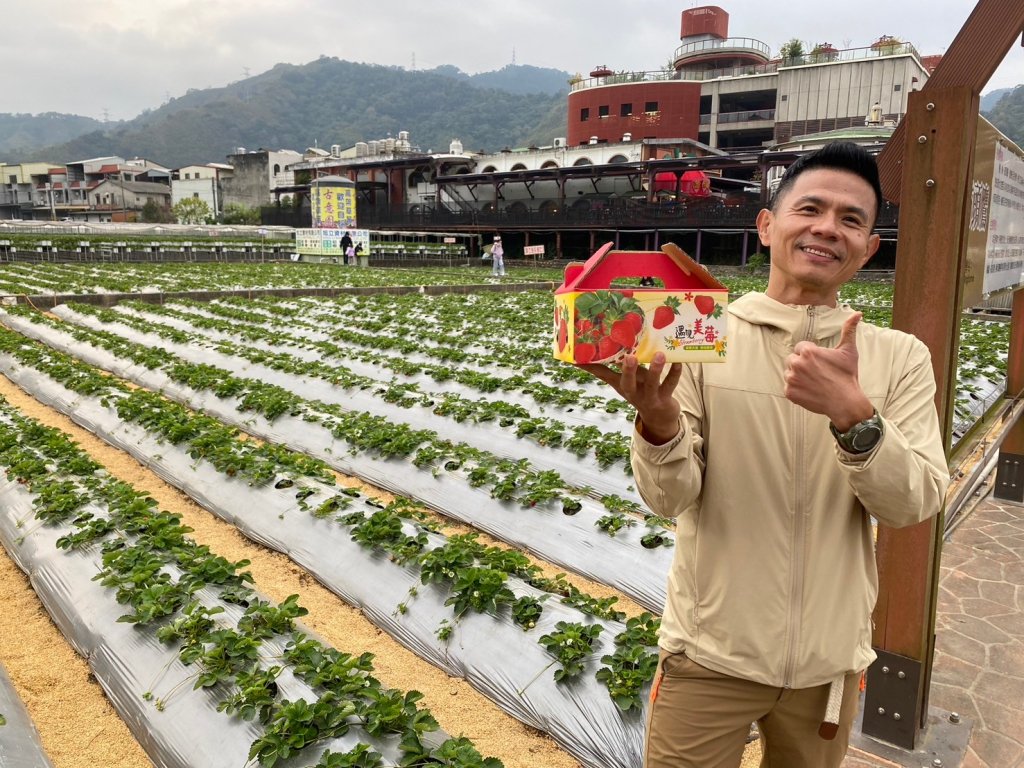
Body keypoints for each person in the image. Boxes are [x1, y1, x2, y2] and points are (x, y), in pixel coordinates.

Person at [580, 142, 948, 768]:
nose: (828, 227)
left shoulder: (900, 357)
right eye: (811, 208)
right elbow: (669, 499)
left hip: (827, 666)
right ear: (768, 225)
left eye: (852, 220)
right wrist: (660, 422)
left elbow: (914, 502)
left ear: (868, 248)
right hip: (710, 654)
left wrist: (855, 417)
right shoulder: (703, 334)